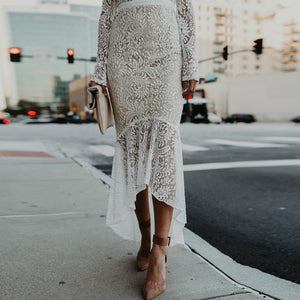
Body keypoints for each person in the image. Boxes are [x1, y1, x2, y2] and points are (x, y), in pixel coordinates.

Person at [89, 0, 198, 299]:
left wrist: (191, 62)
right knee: (133, 152)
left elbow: (185, 9)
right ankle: (145, 235)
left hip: (166, 53)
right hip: (123, 59)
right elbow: (107, 13)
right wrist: (100, 70)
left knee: (163, 146)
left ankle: (160, 249)